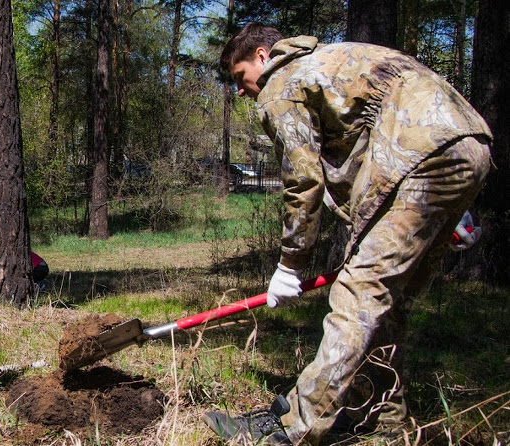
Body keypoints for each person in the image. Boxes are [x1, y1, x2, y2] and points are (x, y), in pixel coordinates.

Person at [203, 23, 492, 445]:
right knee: (386, 302)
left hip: (420, 157)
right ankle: (380, 418)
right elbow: (362, 160)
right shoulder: (334, 61)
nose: (241, 91)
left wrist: (291, 264)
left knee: (357, 296)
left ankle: (289, 430)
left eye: (238, 77)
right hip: (467, 144)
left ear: (262, 56)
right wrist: (454, 207)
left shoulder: (281, 82)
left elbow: (303, 181)